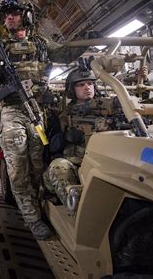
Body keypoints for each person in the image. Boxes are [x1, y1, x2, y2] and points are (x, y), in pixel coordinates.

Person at [0, 0, 90, 240]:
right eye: (6, 16)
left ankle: (39, 205)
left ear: (26, 17)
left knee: (37, 165)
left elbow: (67, 53)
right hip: (12, 111)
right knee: (17, 168)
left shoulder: (41, 44)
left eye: (14, 13)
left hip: (38, 112)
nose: (9, 18)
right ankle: (32, 218)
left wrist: (90, 37)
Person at [42, 68, 124, 207]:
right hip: (75, 166)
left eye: (90, 84)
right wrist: (64, 137)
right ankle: (78, 211)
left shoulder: (107, 108)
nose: (87, 87)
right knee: (58, 167)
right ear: (72, 90)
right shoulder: (64, 115)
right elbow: (52, 146)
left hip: (103, 165)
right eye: (81, 85)